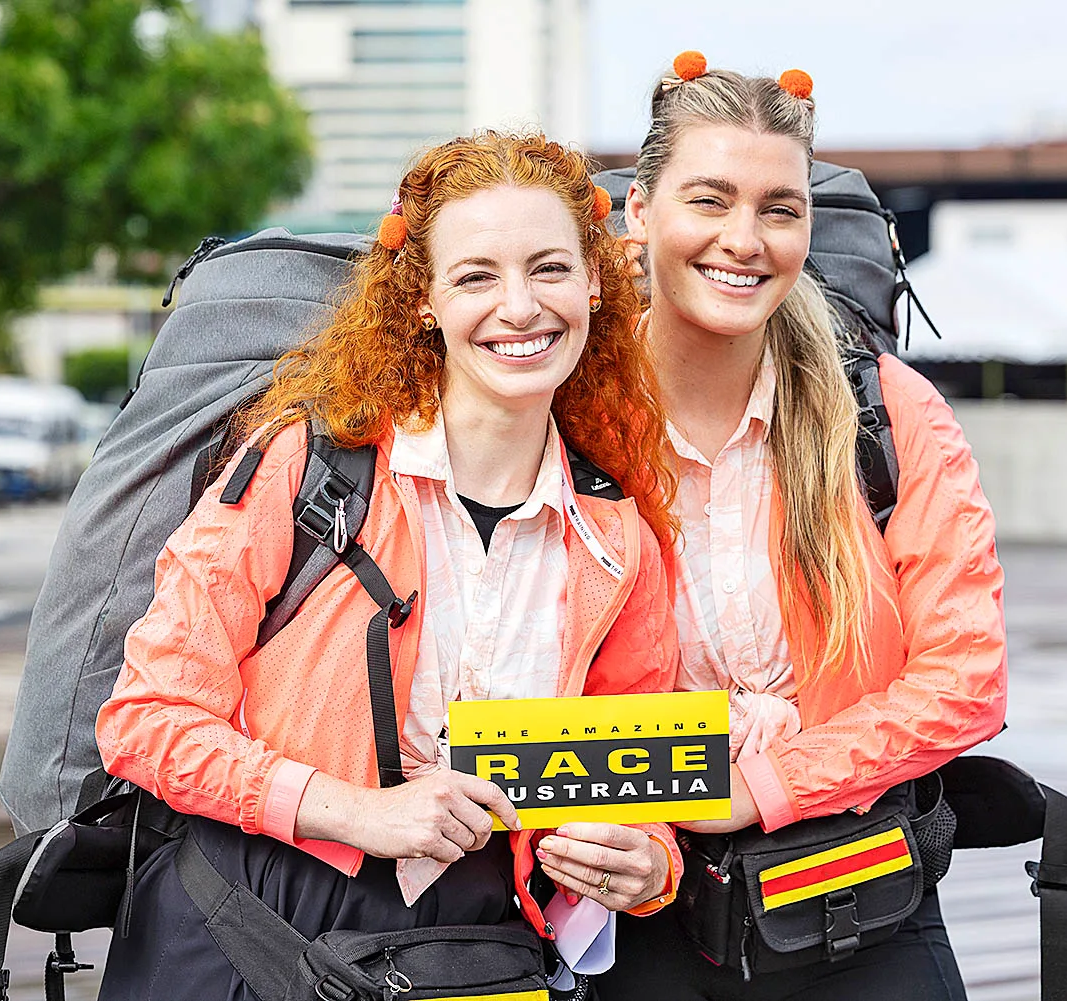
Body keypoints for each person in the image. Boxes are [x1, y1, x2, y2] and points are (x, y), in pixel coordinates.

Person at [94, 132, 682, 1001]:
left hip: (478, 940)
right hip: (254, 918)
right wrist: (357, 810)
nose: (520, 306)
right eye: (476, 275)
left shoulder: (617, 532)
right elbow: (146, 720)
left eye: (549, 268)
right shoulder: (303, 467)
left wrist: (651, 860)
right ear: (424, 302)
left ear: (594, 281)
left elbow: (643, 762)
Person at [595, 54, 1008, 1001]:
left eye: (779, 209)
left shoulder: (885, 411)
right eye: (709, 200)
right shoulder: (569, 420)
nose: (744, 239)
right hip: (638, 906)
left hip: (855, 890)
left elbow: (967, 678)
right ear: (639, 214)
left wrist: (761, 785)